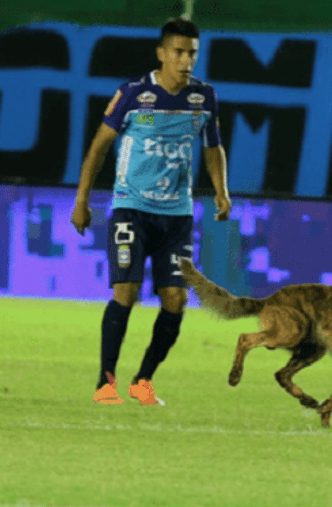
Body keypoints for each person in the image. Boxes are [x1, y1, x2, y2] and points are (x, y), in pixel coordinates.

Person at [71, 17, 232, 406]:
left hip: (177, 214)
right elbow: (98, 147)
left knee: (175, 299)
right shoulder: (133, 94)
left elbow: (213, 146)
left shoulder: (203, 97)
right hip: (131, 208)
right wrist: (81, 201)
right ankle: (105, 382)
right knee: (125, 290)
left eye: (192, 53)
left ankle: (143, 381)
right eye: (178, 52)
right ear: (161, 53)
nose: (185, 60)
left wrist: (221, 191)